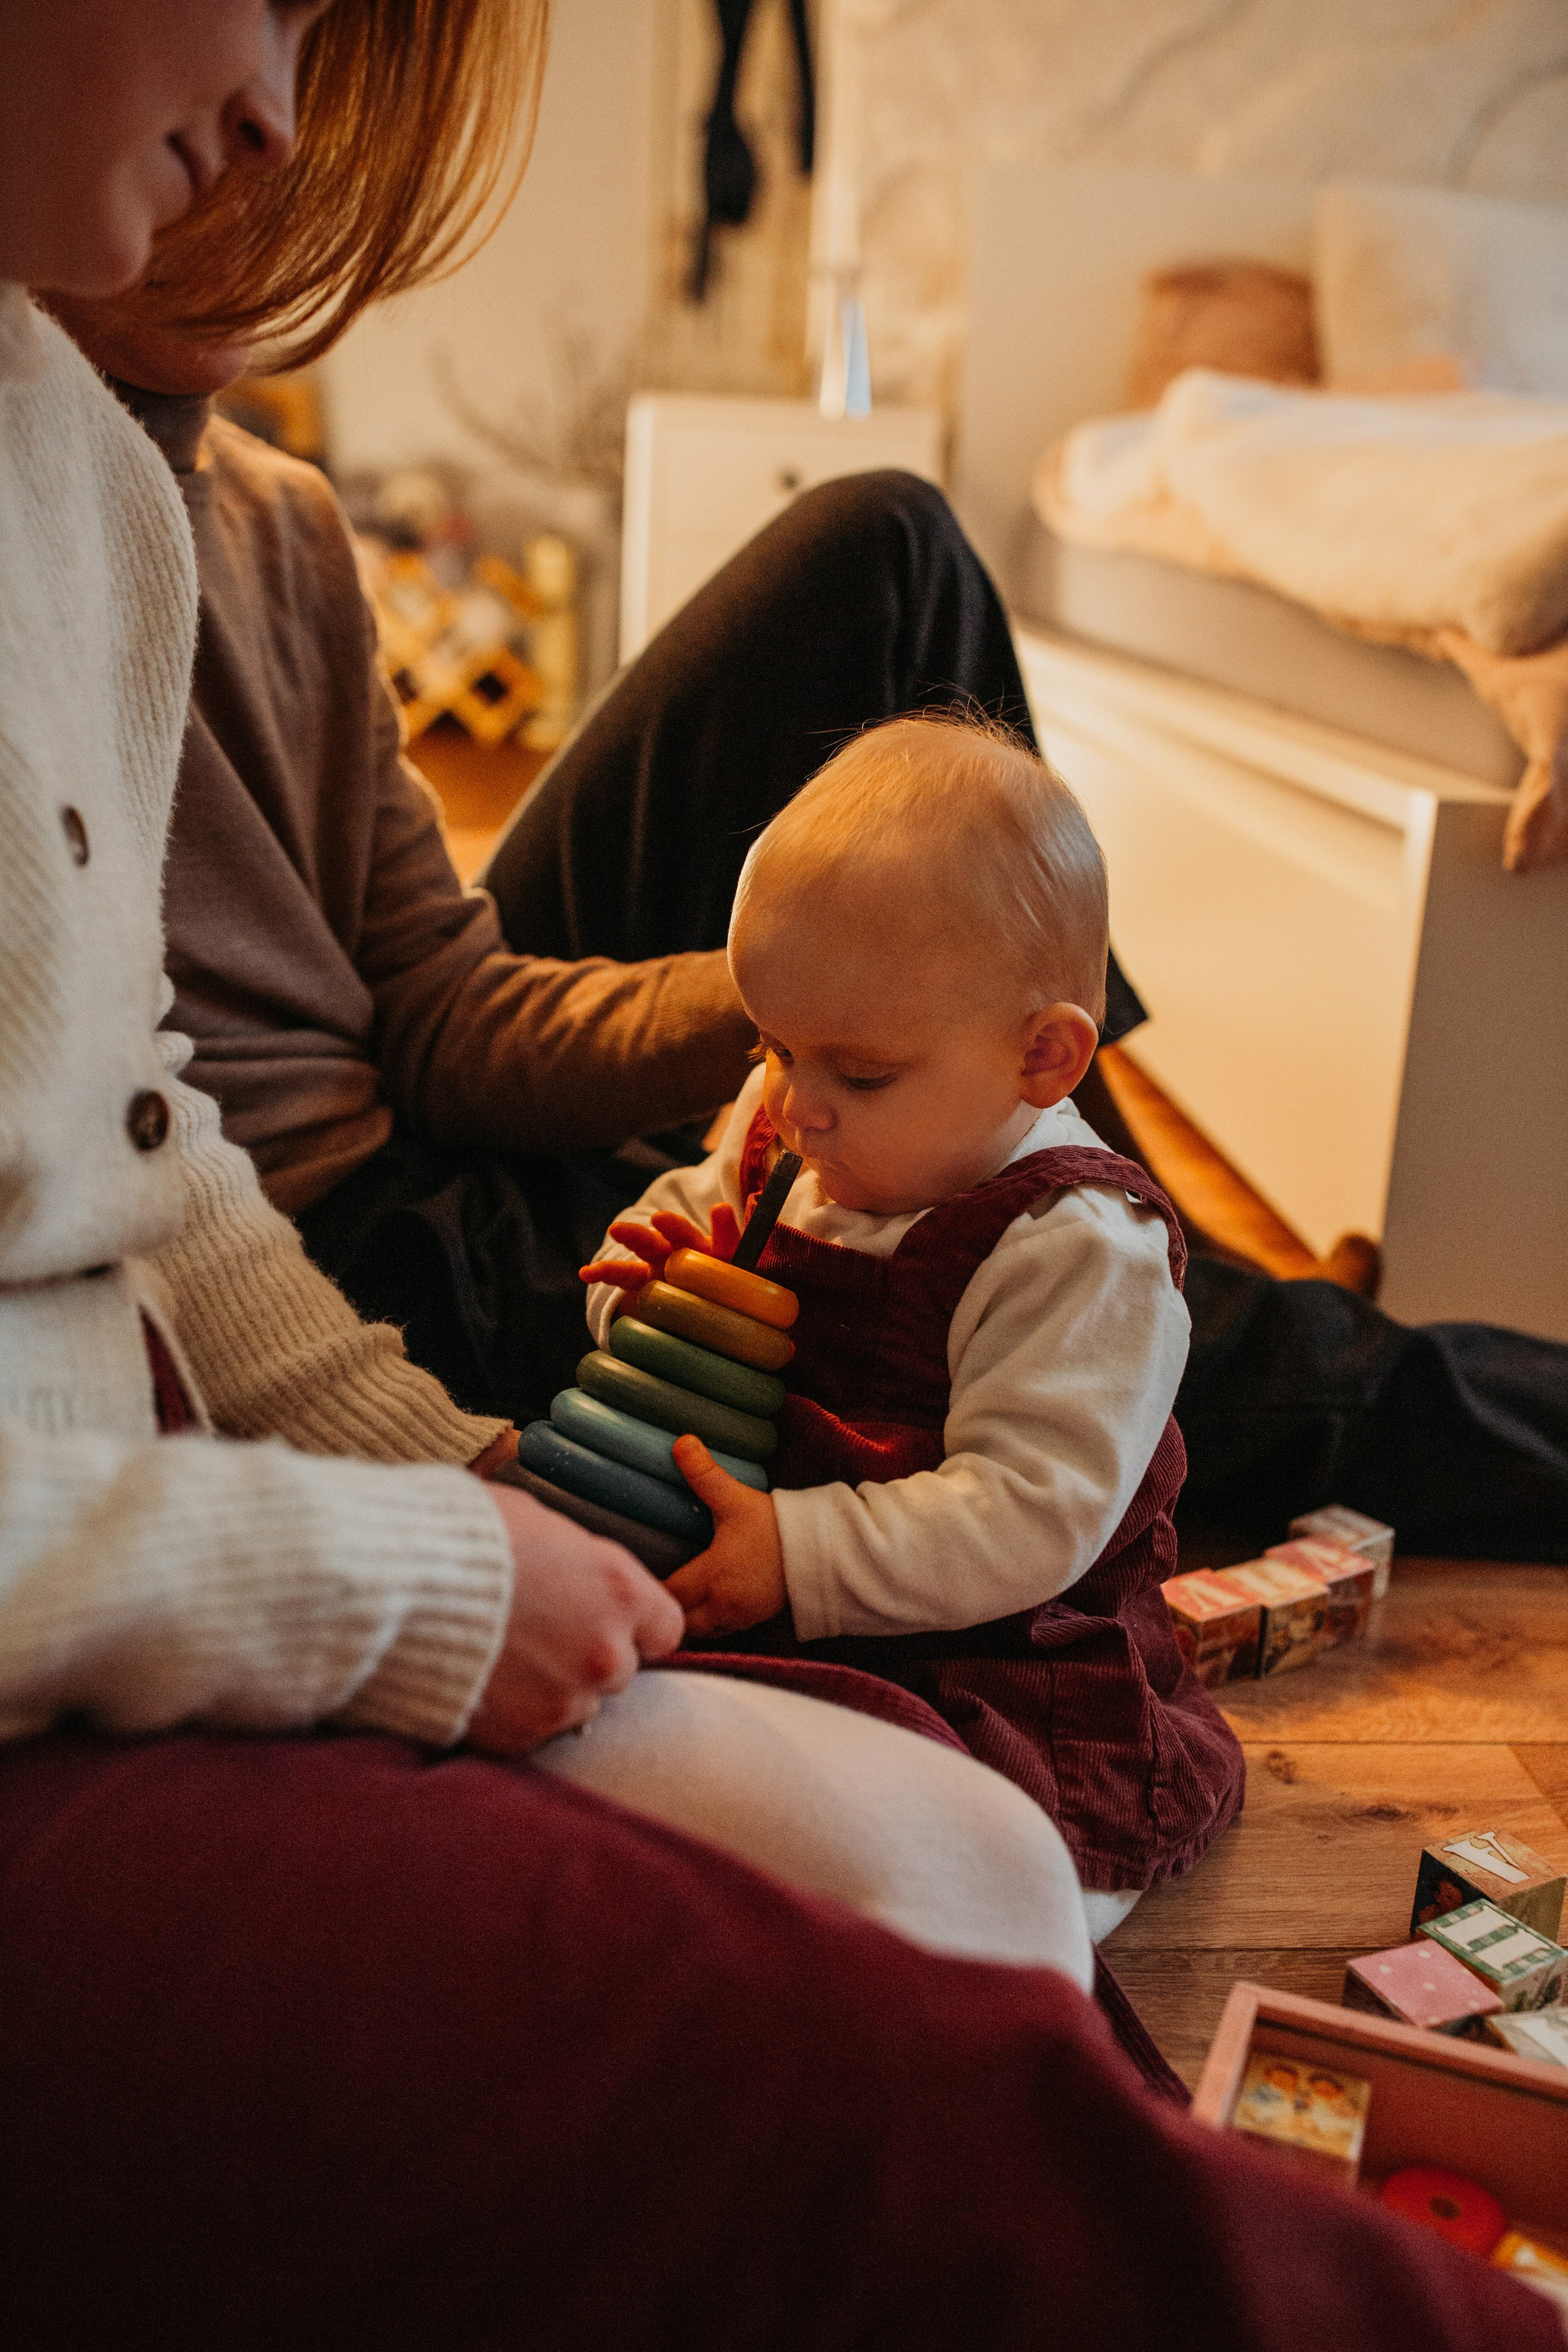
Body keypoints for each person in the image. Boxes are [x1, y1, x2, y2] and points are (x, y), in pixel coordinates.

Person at [1, 9, 1559, 2348]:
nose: (286, 132)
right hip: (371, 1263)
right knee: (1043, 1279)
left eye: (337, 59)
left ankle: (1089, 1226)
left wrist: (847, 1039)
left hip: (362, 1235)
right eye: (266, 26)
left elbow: (390, 1032)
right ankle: (1142, 1267)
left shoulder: (187, 510)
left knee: (888, 561)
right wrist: (866, 1089)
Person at [578, 715, 1243, 1918]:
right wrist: (649, 1287)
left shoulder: (1078, 1251)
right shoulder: (794, 1107)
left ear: (1042, 1058)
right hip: (769, 1589)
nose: (794, 1107)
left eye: (858, 1075)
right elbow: (690, 1203)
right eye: (772, 1046)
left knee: (985, 1873)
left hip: (994, 1650)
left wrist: (799, 1551)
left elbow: (1028, 1512)